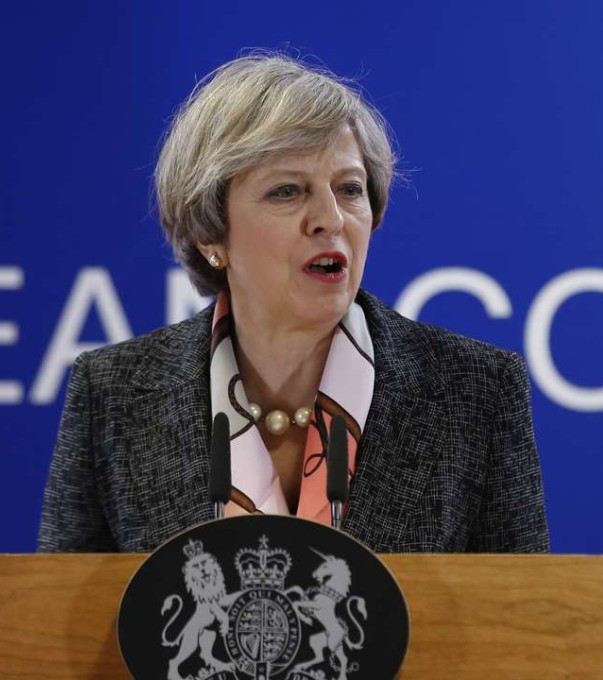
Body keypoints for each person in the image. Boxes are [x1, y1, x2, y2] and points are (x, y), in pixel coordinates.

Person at [37, 54, 549, 553]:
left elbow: (522, 626)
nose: (330, 218)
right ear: (211, 232)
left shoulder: (477, 392)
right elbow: (62, 627)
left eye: (350, 189)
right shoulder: (112, 395)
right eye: (287, 192)